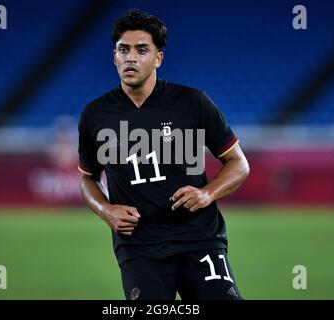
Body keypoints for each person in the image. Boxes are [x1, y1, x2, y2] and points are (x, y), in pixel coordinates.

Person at [78, 9, 250, 300]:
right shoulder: (95, 115)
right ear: (114, 56)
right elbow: (88, 179)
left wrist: (207, 193)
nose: (131, 57)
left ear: (158, 58)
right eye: (124, 50)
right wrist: (106, 210)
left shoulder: (193, 102)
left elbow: (239, 163)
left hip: (200, 239)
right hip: (139, 247)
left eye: (141, 50)